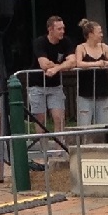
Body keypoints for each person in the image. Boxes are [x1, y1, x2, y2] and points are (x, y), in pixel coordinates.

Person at [30, 15, 76, 147]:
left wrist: (56, 68)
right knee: (40, 119)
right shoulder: (40, 42)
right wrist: (62, 65)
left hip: (55, 84)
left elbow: (73, 61)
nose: (62, 31)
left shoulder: (66, 42)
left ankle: (60, 149)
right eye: (59, 29)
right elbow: (44, 64)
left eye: (63, 28)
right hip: (37, 85)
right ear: (50, 29)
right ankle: (43, 151)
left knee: (58, 118)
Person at [73, 18, 108, 129]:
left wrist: (106, 63)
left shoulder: (104, 47)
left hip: (102, 92)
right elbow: (78, 63)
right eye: (99, 32)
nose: (101, 35)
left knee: (103, 126)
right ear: (90, 34)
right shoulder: (81, 47)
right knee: (84, 126)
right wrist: (96, 64)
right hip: (85, 93)